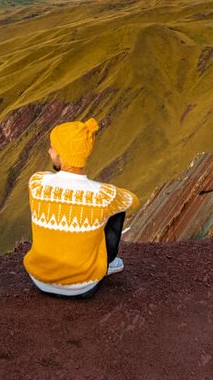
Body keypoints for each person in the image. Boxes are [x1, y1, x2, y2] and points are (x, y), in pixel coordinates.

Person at [22, 117, 140, 297]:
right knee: (116, 209)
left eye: (53, 148)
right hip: (83, 287)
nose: (49, 151)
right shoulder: (103, 195)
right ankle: (108, 262)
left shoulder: (37, 182)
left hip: (39, 280)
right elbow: (132, 200)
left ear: (63, 155)